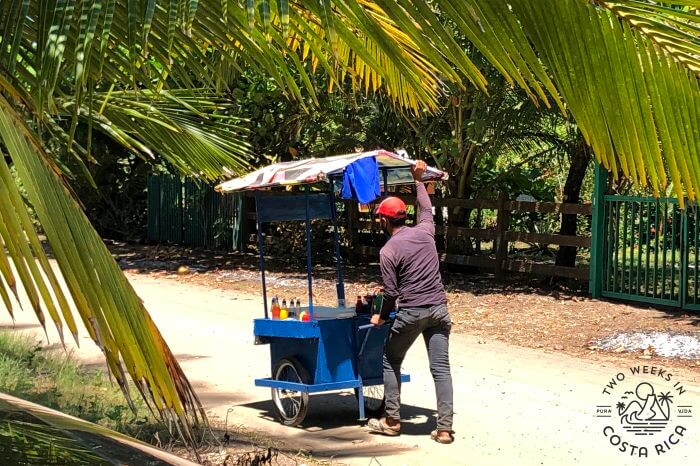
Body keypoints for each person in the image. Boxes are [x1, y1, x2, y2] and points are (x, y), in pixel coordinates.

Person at [367, 160, 454, 444]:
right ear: (404, 217)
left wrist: (379, 317)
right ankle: (444, 429)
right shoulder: (426, 231)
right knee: (440, 369)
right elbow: (427, 209)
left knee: (390, 359)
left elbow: (390, 294)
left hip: (413, 312)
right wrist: (418, 180)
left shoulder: (388, 250)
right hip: (440, 310)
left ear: (384, 220)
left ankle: (392, 420)